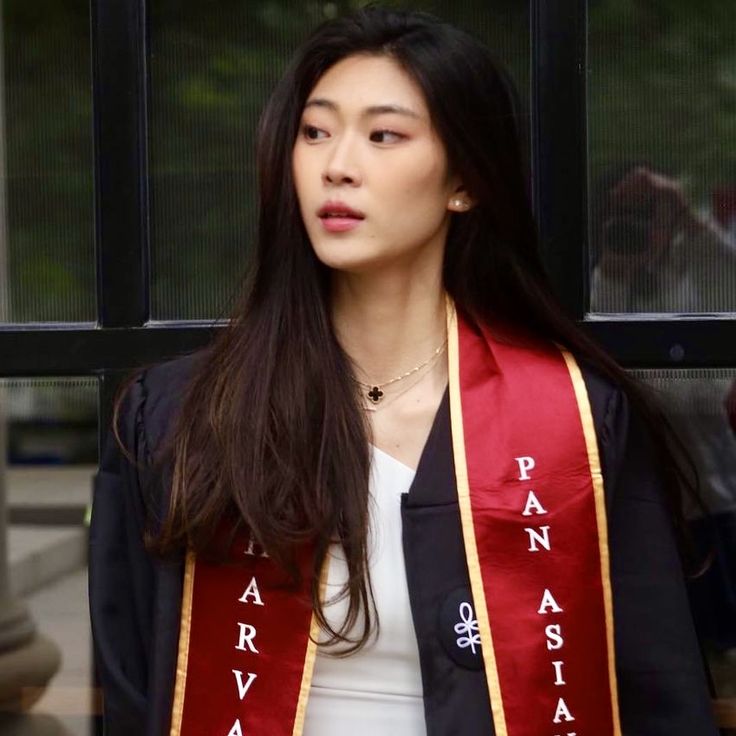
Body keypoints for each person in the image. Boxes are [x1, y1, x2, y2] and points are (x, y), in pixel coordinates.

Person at [89, 7, 719, 736]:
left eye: (383, 135)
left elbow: (656, 697)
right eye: (315, 132)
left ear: (464, 181)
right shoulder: (179, 417)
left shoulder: (574, 422)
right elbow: (134, 695)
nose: (337, 165)